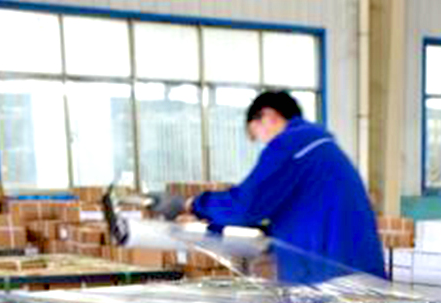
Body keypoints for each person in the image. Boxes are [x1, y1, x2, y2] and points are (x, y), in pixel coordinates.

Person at [150, 90, 387, 285]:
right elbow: (284, 211)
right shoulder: (319, 148)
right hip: (357, 269)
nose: (263, 143)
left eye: (257, 135)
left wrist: (192, 204)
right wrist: (218, 226)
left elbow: (246, 205)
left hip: (330, 274)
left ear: (268, 116)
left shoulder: (291, 145)